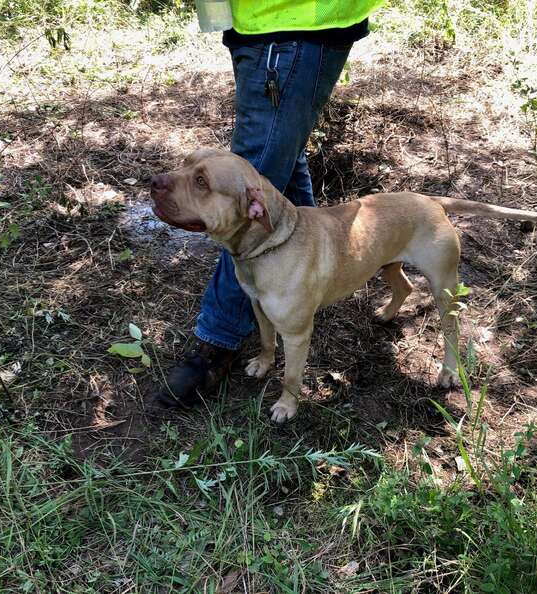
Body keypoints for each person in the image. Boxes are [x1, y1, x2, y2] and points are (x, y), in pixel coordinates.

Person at [156, 1, 383, 409]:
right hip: (258, 27)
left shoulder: (247, 200)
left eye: (199, 182)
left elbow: (250, 192)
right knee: (284, 159)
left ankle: (219, 337)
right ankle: (315, 283)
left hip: (293, 27)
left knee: (257, 169)